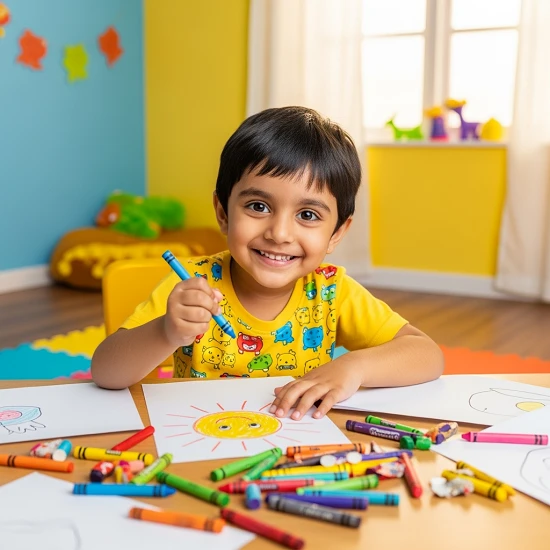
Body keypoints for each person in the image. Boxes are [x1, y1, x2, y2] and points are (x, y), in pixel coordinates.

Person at [91, 106, 444, 420]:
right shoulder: (193, 286)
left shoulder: (332, 291)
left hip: (298, 454)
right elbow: (106, 372)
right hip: (201, 443)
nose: (279, 233)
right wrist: (166, 331)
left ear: (336, 233)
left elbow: (428, 355)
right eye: (258, 207)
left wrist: (354, 367)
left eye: (307, 214)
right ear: (223, 212)